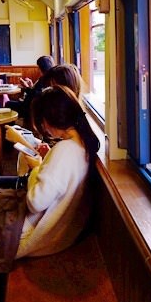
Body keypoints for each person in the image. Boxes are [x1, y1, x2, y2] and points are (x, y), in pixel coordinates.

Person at [14, 85, 101, 258]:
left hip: (39, 236)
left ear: (49, 118)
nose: (44, 128)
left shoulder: (64, 150)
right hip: (63, 233)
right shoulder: (82, 143)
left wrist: (35, 168)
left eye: (42, 122)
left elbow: (35, 202)